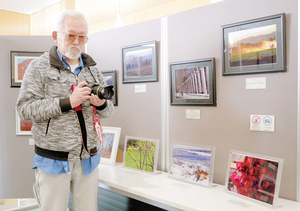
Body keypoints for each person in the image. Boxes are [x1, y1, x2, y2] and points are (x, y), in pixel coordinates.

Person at [16, 10, 114, 211]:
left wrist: (100, 104)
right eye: (70, 35)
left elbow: (108, 111)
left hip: (88, 158)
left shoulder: (92, 69)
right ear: (56, 36)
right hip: (54, 160)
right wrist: (68, 101)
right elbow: (24, 109)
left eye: (82, 36)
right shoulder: (39, 67)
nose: (76, 41)